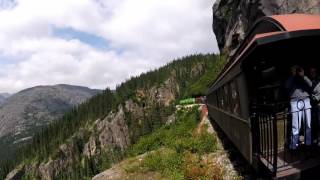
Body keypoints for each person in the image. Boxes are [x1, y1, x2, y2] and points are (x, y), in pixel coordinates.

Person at [285, 66, 313, 150]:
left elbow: (311, 85)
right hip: (294, 100)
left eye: (298, 70)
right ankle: (294, 146)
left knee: (308, 124)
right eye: (294, 69)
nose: (297, 71)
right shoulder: (291, 78)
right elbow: (287, 86)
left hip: (306, 100)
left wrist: (303, 75)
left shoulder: (304, 77)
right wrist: (293, 75)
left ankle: (308, 144)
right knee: (296, 125)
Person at [310, 68, 320, 145]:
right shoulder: (311, 81)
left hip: (318, 104)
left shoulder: (318, 81)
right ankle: (315, 139)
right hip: (312, 105)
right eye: (311, 72)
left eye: (313, 72)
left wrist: (315, 98)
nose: (312, 73)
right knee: (314, 123)